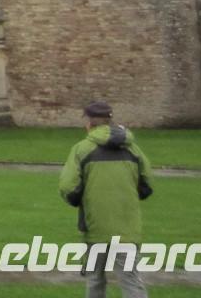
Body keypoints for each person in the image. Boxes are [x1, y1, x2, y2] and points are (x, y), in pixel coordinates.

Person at [59, 101, 153, 298]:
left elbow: (69, 187)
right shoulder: (133, 149)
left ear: (89, 123)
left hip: (95, 228)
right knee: (131, 280)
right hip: (127, 228)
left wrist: (77, 199)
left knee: (95, 280)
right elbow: (146, 185)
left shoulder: (82, 149)